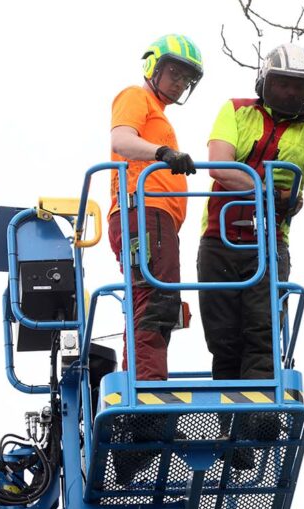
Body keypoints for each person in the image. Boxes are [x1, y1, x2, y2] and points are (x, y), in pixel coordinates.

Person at [198, 42, 304, 382]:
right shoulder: (235, 111)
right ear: (265, 83)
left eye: (298, 86)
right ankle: (228, 416)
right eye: (282, 84)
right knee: (222, 337)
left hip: (271, 244)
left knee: (263, 334)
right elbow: (219, 166)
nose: (290, 92)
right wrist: (270, 191)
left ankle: (259, 416)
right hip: (219, 238)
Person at [108, 34, 203, 380]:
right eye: (174, 74)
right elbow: (121, 139)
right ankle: (146, 387)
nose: (179, 84)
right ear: (154, 67)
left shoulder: (160, 115)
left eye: (186, 79)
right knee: (153, 302)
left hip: (158, 221)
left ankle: (146, 380)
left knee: (160, 303)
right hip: (143, 212)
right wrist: (163, 154)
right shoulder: (136, 96)